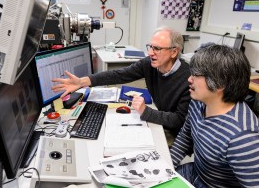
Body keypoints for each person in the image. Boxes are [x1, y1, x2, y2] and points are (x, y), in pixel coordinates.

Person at [52, 26, 191, 142]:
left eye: (157, 49)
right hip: (158, 117)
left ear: (174, 52)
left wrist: (146, 112)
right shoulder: (149, 64)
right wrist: (83, 82)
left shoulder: (188, 79)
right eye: (150, 47)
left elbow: (179, 120)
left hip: (175, 132)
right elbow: (119, 74)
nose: (150, 53)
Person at [170, 44, 259, 187]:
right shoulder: (198, 102)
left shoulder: (243, 138)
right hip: (197, 173)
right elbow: (185, 136)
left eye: (196, 74)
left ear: (220, 83)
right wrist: (167, 166)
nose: (189, 79)